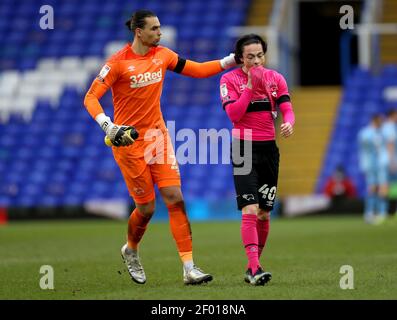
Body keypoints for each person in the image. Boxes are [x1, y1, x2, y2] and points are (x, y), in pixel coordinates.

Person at [83, 9, 238, 285]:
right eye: (154, 28)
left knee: (175, 198)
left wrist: (230, 61)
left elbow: (199, 70)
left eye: (160, 28)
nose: (160, 32)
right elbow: (91, 97)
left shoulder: (163, 55)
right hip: (129, 142)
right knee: (146, 209)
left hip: (158, 138)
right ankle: (131, 249)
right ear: (138, 32)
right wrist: (108, 125)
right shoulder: (118, 63)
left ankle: (189, 268)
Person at [219, 34, 295, 285]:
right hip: (243, 147)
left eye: (260, 55)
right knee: (250, 209)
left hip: (269, 150)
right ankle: (254, 268)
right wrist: (251, 86)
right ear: (240, 57)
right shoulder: (229, 79)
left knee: (264, 214)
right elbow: (234, 114)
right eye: (250, 56)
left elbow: (287, 108)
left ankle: (253, 267)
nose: (256, 60)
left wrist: (289, 122)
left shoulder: (276, 78)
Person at [358, 114, 388, 224]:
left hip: (381, 164)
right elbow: (365, 148)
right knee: (372, 188)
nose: (382, 123)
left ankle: (382, 213)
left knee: (383, 187)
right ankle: (369, 212)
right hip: (370, 164)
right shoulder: (365, 133)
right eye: (380, 121)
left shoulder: (382, 133)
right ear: (375, 120)